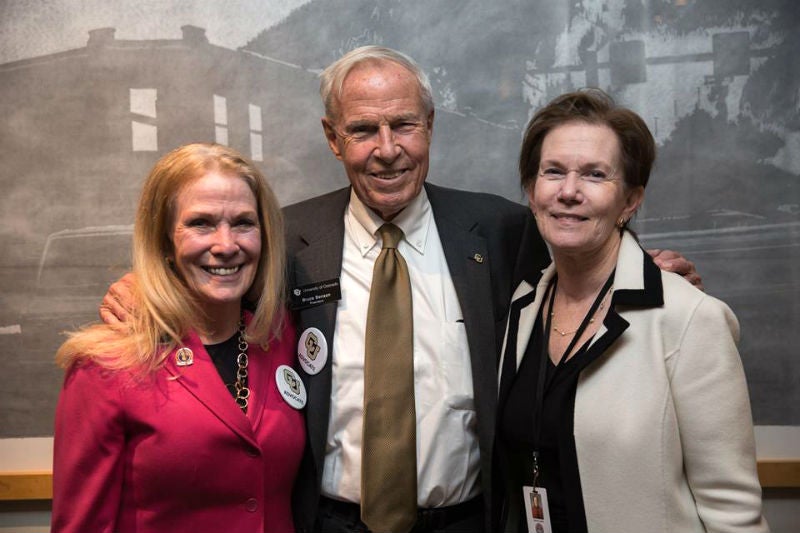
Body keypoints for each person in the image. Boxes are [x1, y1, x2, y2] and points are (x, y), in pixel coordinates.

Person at [99, 48, 700, 533]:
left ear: (429, 126)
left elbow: (580, 256)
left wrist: (645, 270)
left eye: (404, 125)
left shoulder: (500, 230)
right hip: (329, 521)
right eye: (363, 129)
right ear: (333, 138)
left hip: (468, 520)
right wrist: (144, 289)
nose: (387, 149)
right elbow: (213, 278)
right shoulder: (286, 238)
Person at [496, 89, 768, 533]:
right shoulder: (522, 307)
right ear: (531, 191)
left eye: (595, 175)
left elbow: (733, 510)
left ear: (630, 200)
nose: (569, 191)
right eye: (553, 172)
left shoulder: (688, 319)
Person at [52, 143, 304, 533]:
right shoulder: (104, 366)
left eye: (243, 222)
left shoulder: (286, 339)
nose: (225, 245)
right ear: (164, 241)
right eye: (201, 223)